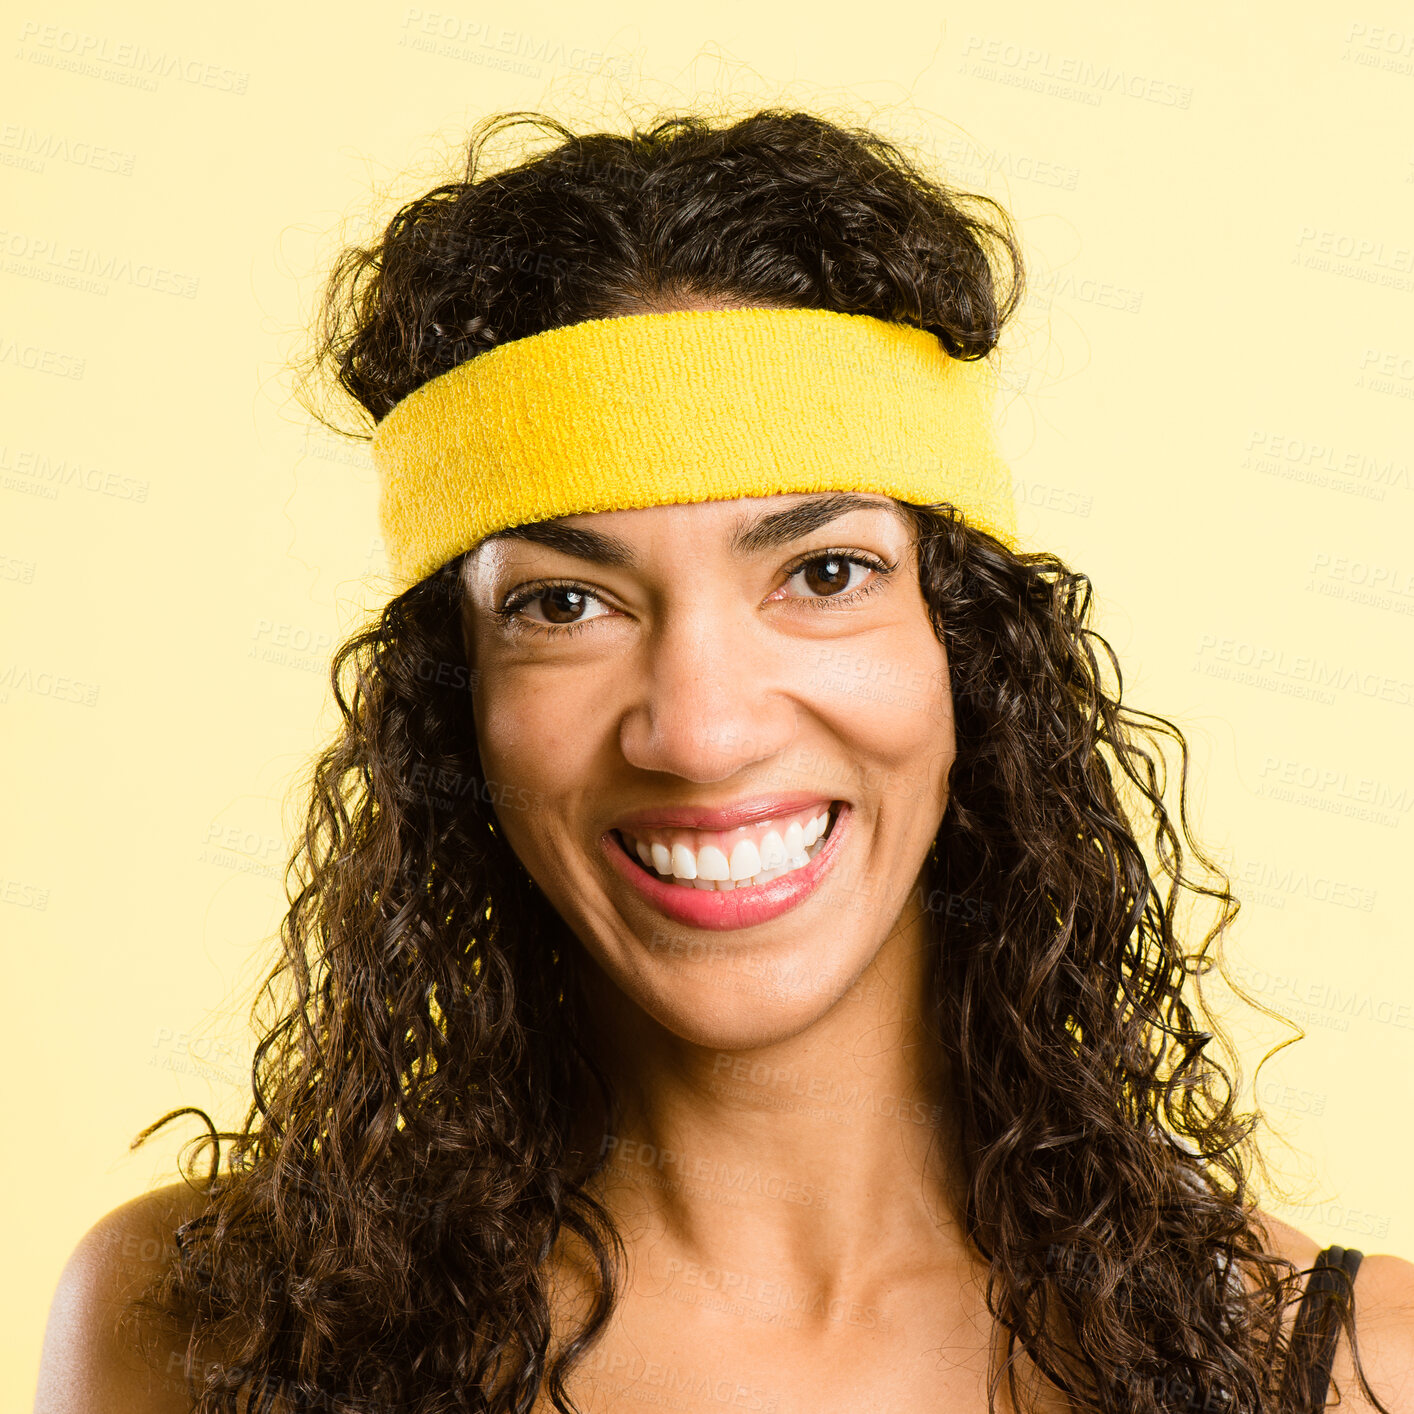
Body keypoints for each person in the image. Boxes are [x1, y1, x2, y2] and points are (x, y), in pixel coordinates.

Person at [33, 108, 1414, 1414]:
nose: (699, 731)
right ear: (449, 711)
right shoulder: (197, 1328)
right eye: (563, 604)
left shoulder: (1341, 1368)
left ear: (969, 657)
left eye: (824, 572)